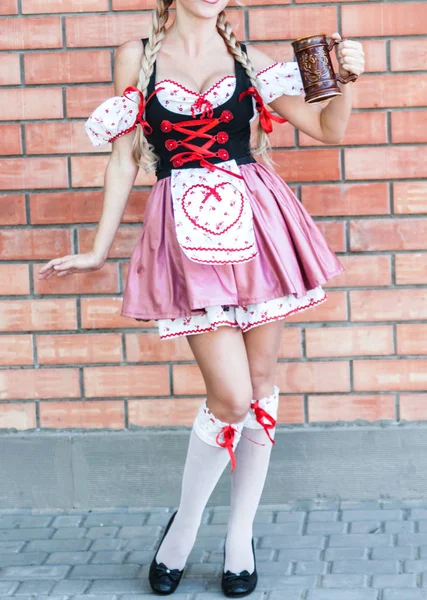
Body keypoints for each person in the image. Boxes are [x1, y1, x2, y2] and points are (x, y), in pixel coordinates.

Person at [39, 0, 365, 595]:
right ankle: (183, 530)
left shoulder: (250, 59)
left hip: (259, 226)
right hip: (184, 238)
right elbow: (123, 160)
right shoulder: (136, 58)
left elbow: (329, 128)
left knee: (261, 385)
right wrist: (97, 249)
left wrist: (344, 80)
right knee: (232, 396)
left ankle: (239, 539)